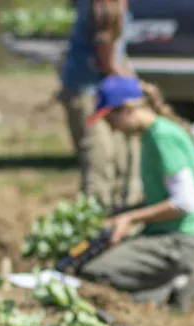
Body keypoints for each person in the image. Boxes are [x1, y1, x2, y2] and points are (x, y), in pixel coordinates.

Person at [80, 75, 194, 312]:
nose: (110, 126)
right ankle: (168, 284)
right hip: (169, 237)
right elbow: (163, 197)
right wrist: (123, 213)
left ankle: (173, 285)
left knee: (96, 272)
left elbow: (184, 202)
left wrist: (130, 218)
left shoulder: (163, 137)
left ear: (127, 109)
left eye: (110, 118)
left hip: (179, 241)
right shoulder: (154, 135)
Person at [58, 0, 141, 210]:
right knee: (100, 158)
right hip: (88, 91)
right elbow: (107, 60)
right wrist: (133, 84)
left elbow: (117, 53)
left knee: (124, 154)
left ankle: (123, 211)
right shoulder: (105, 7)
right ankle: (96, 218)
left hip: (106, 87)